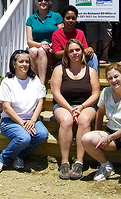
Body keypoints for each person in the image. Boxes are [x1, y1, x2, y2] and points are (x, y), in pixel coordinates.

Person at [81, 63, 121, 188]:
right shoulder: (106, 92)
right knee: (86, 138)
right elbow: (99, 114)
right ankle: (106, 166)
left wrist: (110, 138)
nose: (114, 80)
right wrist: (98, 132)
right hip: (112, 132)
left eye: (116, 76)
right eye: (110, 78)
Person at [0, 50, 49, 173]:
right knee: (24, 138)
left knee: (42, 134)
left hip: (31, 120)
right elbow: (6, 107)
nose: (24, 64)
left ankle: (19, 155)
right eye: (21, 61)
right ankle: (2, 159)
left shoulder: (35, 80)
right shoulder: (8, 81)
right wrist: (22, 123)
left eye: (27, 61)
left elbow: (41, 102)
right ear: (14, 64)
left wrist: (32, 120)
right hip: (10, 120)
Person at [51, 39, 100, 180]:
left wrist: (82, 107)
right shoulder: (59, 69)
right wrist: (70, 109)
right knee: (66, 121)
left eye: (77, 50)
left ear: (82, 51)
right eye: (71, 51)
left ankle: (79, 161)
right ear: (67, 53)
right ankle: (65, 162)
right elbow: (56, 93)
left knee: (84, 120)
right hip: (63, 105)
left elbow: (95, 94)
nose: (75, 53)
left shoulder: (91, 71)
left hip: (85, 105)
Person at [26, 0, 63, 84]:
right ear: (36, 3)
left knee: (40, 51)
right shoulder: (31, 19)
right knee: (33, 51)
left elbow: (61, 36)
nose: (43, 2)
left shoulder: (56, 16)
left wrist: (50, 44)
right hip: (38, 46)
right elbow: (29, 41)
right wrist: (41, 45)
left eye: (46, 0)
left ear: (49, 2)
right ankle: (35, 81)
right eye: (40, 0)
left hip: (53, 47)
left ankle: (41, 84)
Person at [51, 5, 99, 72]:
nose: (71, 20)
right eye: (68, 18)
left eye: (73, 18)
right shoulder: (56, 34)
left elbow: (85, 50)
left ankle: (93, 78)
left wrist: (89, 49)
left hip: (78, 60)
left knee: (93, 56)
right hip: (63, 62)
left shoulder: (80, 33)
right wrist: (72, 51)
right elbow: (57, 54)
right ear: (63, 19)